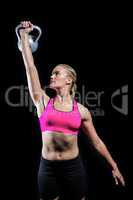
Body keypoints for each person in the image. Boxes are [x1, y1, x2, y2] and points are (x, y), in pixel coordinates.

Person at [19, 21, 125, 200]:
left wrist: (114, 166)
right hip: (47, 168)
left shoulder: (81, 111)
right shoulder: (42, 101)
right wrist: (23, 34)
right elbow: (31, 68)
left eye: (57, 73)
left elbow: (97, 142)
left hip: (73, 168)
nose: (52, 76)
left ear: (69, 80)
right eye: (52, 73)